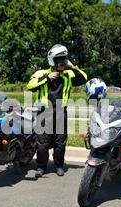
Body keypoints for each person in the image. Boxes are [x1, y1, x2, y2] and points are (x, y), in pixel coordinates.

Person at [27, 44, 87, 178]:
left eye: (64, 61)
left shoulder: (68, 74)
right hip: (44, 111)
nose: (62, 64)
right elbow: (30, 85)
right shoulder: (41, 73)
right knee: (42, 142)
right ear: (52, 61)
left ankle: (59, 165)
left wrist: (73, 66)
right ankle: (41, 166)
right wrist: (47, 78)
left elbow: (83, 78)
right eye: (59, 61)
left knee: (60, 142)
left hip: (60, 112)